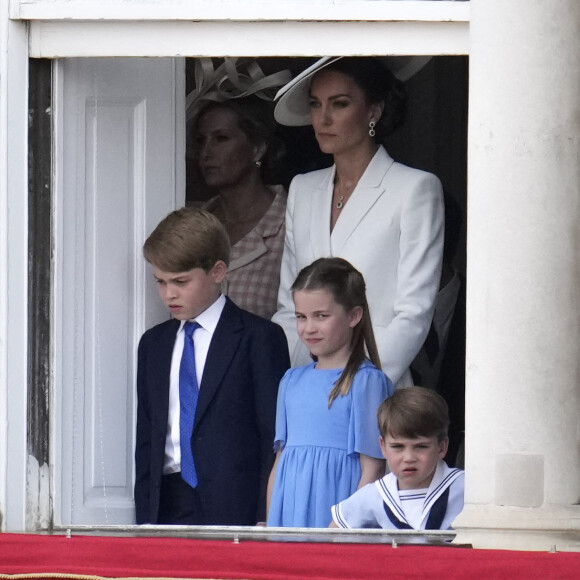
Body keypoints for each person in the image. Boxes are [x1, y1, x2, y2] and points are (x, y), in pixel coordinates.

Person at [272, 57, 445, 388]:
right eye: (315, 104)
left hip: (378, 386)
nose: (323, 118)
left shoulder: (414, 188)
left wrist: (356, 382)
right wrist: (294, 382)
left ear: (373, 112)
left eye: (339, 104)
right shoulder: (302, 188)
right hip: (306, 388)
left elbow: (413, 314)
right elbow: (287, 307)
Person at [134, 207, 290, 526]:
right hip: (166, 504)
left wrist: (266, 514)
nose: (169, 294)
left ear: (218, 271)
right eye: (160, 282)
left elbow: (272, 436)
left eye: (180, 281)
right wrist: (144, 517)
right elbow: (148, 438)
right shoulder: (154, 344)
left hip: (237, 504)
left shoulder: (259, 338)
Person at [267, 257, 394, 528]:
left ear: (353, 316)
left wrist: (346, 527)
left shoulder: (366, 381)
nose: (308, 327)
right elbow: (279, 465)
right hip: (289, 514)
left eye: (321, 316)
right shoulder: (291, 380)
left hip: (337, 515)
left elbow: (372, 469)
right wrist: (271, 524)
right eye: (301, 317)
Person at [194, 97, 287, 320]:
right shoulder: (193, 227)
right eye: (201, 140)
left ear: (257, 150)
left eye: (221, 138)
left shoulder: (290, 222)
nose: (206, 152)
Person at [331, 386, 464, 531]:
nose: (409, 458)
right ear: (383, 447)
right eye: (398, 447)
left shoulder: (466, 489)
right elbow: (331, 534)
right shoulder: (375, 494)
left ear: (441, 447)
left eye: (421, 447)